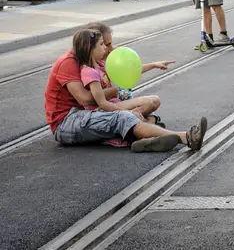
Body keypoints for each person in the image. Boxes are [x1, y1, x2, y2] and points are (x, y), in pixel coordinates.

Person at [45, 23, 207, 153]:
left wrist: (151, 65)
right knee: (124, 117)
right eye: (104, 44)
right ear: (90, 47)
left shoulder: (92, 60)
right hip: (67, 122)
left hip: (87, 114)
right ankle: (186, 137)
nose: (109, 49)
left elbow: (124, 69)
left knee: (137, 113)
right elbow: (85, 99)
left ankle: (143, 138)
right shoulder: (69, 63)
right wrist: (115, 92)